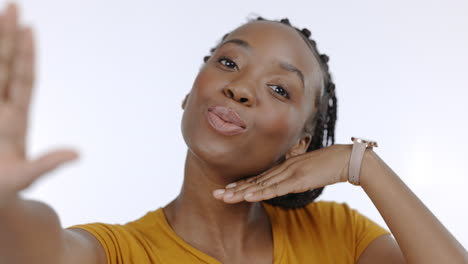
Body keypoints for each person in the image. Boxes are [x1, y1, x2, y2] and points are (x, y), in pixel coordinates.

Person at [0, 2, 466, 264]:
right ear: (190, 94)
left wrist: (364, 165)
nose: (240, 88)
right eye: (228, 62)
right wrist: (3, 202)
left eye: (280, 89)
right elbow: (35, 249)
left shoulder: (339, 237)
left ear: (301, 144)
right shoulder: (123, 252)